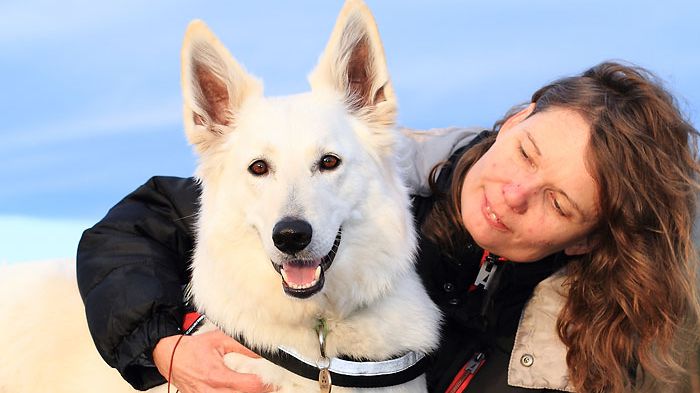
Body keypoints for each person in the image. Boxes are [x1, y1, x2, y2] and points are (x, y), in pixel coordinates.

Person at [77, 61, 700, 393]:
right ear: (516, 118)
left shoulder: (602, 337)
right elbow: (137, 225)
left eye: (558, 204)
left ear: (588, 239)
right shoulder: (375, 163)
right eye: (528, 152)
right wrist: (165, 345)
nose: (512, 195)